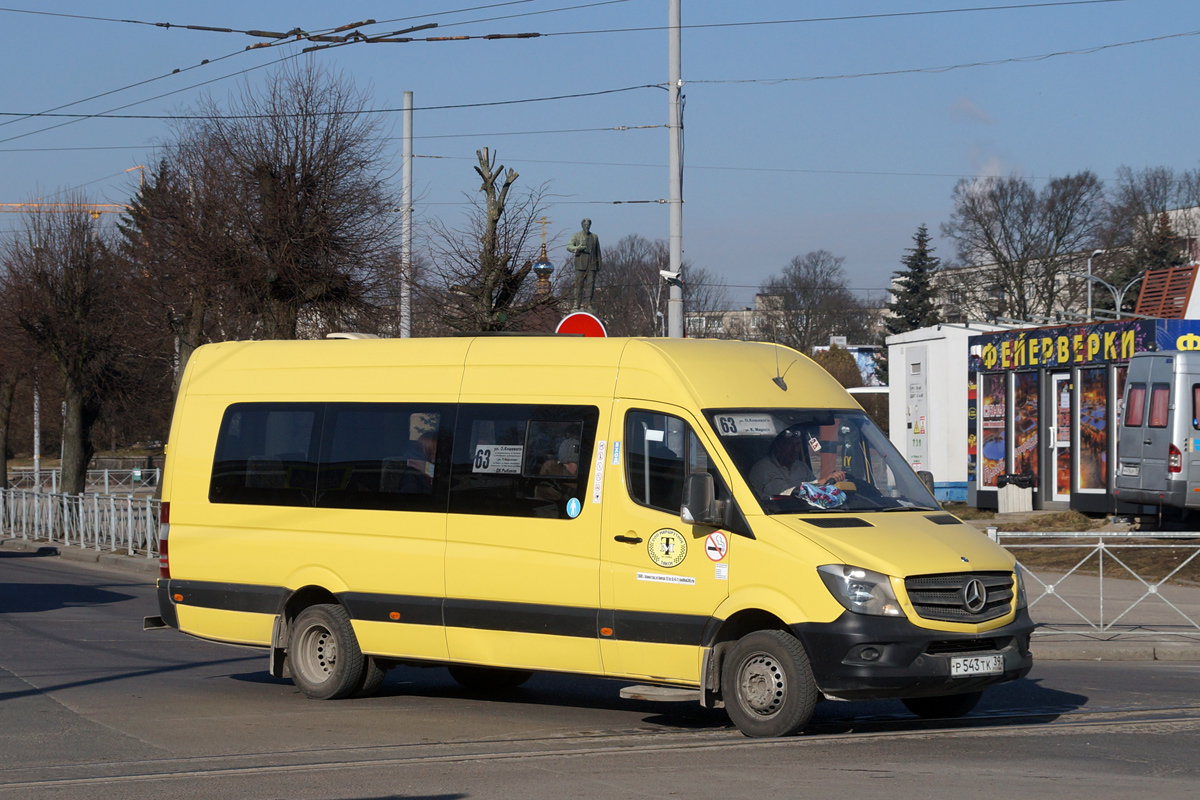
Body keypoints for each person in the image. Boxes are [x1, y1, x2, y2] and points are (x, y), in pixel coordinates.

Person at [749, 425, 845, 497]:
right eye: (790, 445)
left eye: (797, 444)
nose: (795, 449)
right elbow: (785, 493)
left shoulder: (801, 467)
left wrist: (830, 481)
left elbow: (815, 489)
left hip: (803, 509)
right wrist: (824, 480)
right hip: (774, 513)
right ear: (778, 446)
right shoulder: (763, 469)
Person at [566, 218, 601, 310]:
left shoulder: (594, 237)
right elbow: (569, 246)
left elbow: (598, 252)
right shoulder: (576, 236)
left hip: (592, 264)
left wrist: (599, 265)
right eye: (585, 225)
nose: (587, 226)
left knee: (590, 285)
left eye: (588, 225)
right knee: (578, 285)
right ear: (582, 225)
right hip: (580, 265)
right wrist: (576, 248)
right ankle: (576, 304)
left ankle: (588, 303)